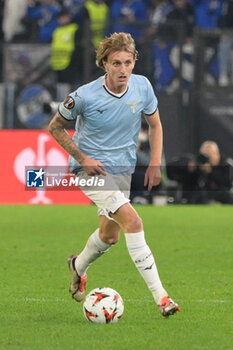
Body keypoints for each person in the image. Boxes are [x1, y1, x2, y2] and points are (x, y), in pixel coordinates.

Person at [48, 32, 180, 317]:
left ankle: (77, 266)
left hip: (123, 170)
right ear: (104, 64)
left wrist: (155, 163)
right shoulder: (83, 96)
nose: (123, 70)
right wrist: (83, 158)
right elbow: (55, 127)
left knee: (110, 237)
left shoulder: (142, 87)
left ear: (134, 62)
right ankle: (162, 298)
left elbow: (155, 125)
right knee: (133, 221)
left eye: (128, 63)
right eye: (116, 63)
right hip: (89, 170)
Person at [167, 140, 233, 204]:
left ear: (217, 154)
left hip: (219, 197)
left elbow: (227, 183)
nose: (206, 159)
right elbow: (171, 172)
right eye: (204, 155)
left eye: (210, 154)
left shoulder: (226, 165)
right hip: (195, 198)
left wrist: (211, 171)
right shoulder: (196, 164)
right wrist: (189, 168)